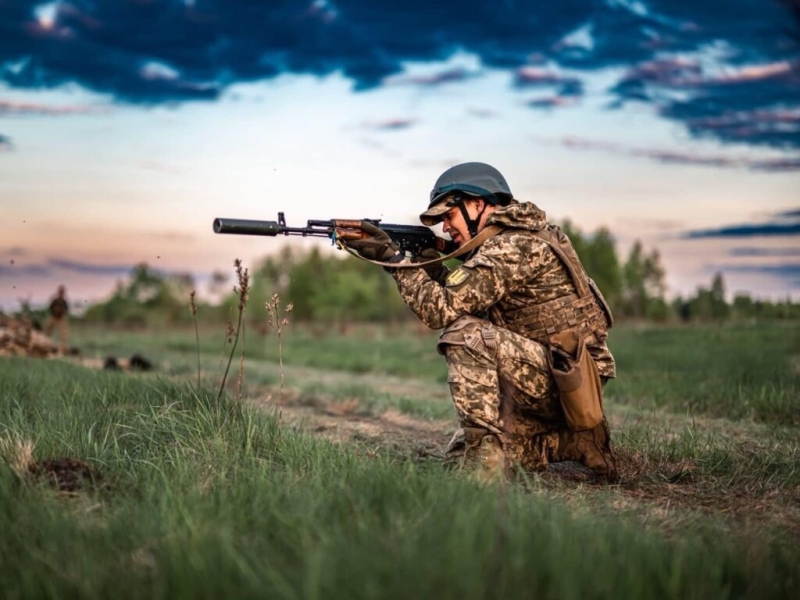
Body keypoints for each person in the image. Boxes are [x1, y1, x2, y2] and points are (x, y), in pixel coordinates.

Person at [347, 162, 618, 482]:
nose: (445, 228)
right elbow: (467, 302)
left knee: (466, 337)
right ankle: (574, 442)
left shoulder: (512, 247)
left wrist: (394, 261)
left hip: (569, 385)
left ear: (478, 204)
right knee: (457, 457)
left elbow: (443, 311)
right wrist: (426, 265)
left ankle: (485, 462)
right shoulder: (517, 237)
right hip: (558, 376)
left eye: (448, 216)